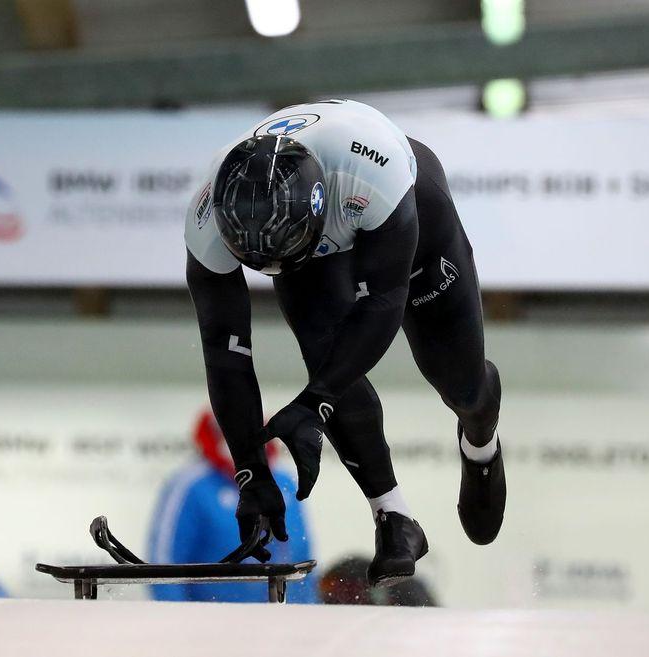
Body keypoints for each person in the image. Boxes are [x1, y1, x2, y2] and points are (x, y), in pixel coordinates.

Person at [185, 99, 505, 586]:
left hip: (404, 214)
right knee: (324, 355)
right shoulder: (207, 220)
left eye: (282, 257)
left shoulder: (372, 172)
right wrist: (250, 471)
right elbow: (225, 351)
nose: (274, 271)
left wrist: (315, 402)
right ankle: (393, 515)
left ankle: (481, 441)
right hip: (313, 249)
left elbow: (383, 305)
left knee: (459, 383)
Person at [147, 409, 317, 603]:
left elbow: (302, 557)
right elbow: (163, 562)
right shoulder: (190, 485)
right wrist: (181, 617)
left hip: (276, 615)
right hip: (209, 616)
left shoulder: (284, 481)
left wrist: (304, 613)